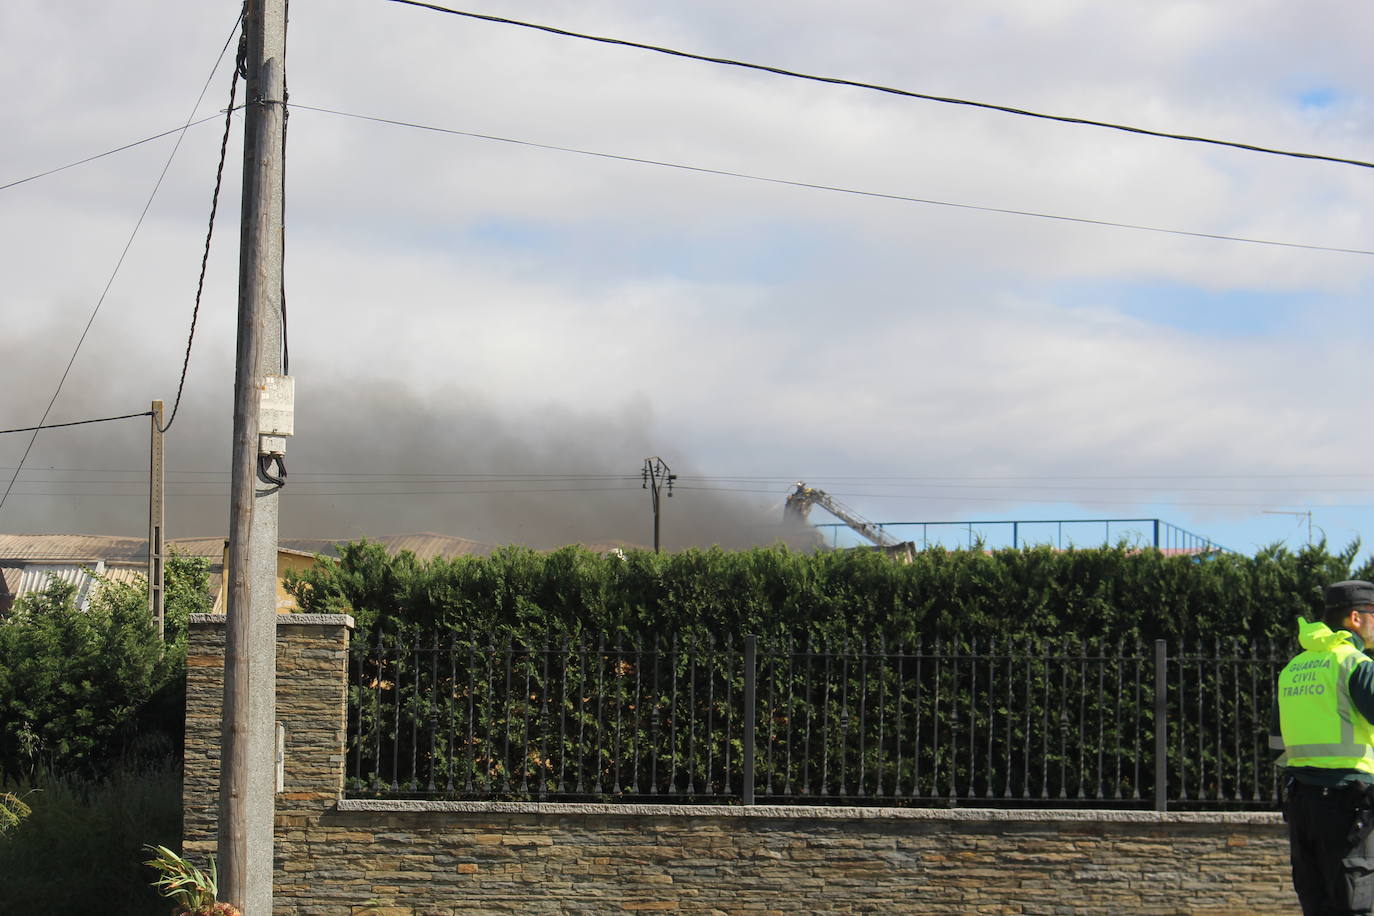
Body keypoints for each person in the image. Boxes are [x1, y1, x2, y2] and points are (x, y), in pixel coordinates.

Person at [1273, 580, 1374, 915]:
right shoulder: (1355, 665)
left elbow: (1276, 742)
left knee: (1317, 904)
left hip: (1302, 803)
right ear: (1356, 618)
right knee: (1354, 904)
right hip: (1350, 804)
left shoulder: (1293, 668)